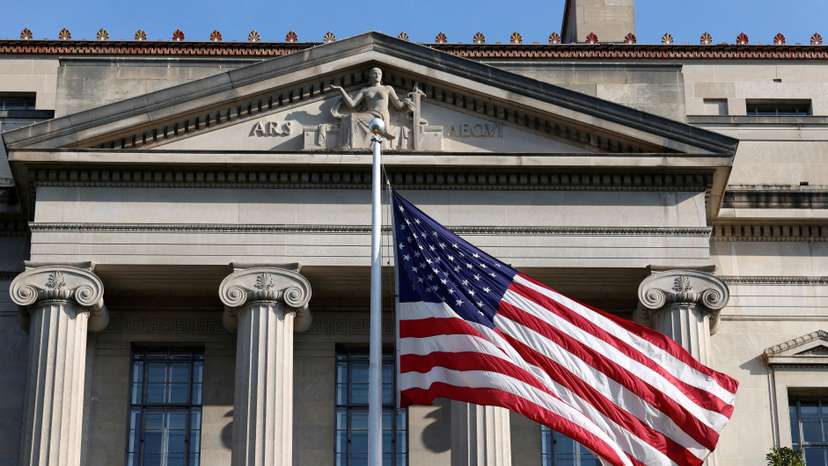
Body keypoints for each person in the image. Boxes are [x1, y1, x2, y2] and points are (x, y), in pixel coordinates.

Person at [330, 67, 415, 149]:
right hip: (369, 115)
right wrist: (341, 90)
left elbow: (398, 106)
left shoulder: (387, 88)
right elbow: (352, 104)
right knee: (350, 117)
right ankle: (348, 144)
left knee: (352, 117)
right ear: (370, 76)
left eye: (379, 73)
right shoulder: (365, 90)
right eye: (375, 73)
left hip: (381, 116)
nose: (377, 75)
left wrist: (408, 101)